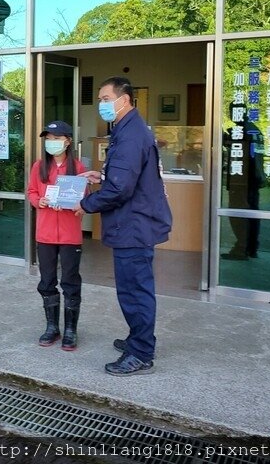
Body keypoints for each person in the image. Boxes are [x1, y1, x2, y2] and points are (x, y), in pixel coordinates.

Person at [73, 77, 172, 377]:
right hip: (133, 222)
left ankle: (141, 353)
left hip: (134, 225)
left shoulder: (130, 135)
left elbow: (120, 189)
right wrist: (101, 177)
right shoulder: (128, 130)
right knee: (133, 288)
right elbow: (123, 178)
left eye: (105, 99)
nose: (101, 104)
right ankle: (137, 339)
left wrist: (86, 205)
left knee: (135, 291)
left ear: (124, 99)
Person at [27, 120, 86, 351]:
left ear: (68, 141)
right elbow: (31, 191)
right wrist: (38, 200)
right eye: (48, 139)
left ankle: (71, 330)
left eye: (57, 139)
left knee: (71, 281)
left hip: (71, 235)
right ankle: (52, 327)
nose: (52, 143)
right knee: (47, 280)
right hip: (45, 234)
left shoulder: (79, 168)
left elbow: (84, 198)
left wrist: (73, 203)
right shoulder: (39, 166)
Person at [222, 103, 264, 259]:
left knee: (238, 215)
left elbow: (236, 147)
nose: (231, 116)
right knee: (252, 215)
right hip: (255, 179)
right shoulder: (255, 129)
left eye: (232, 112)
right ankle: (252, 248)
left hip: (242, 181)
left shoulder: (241, 131)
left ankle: (241, 249)